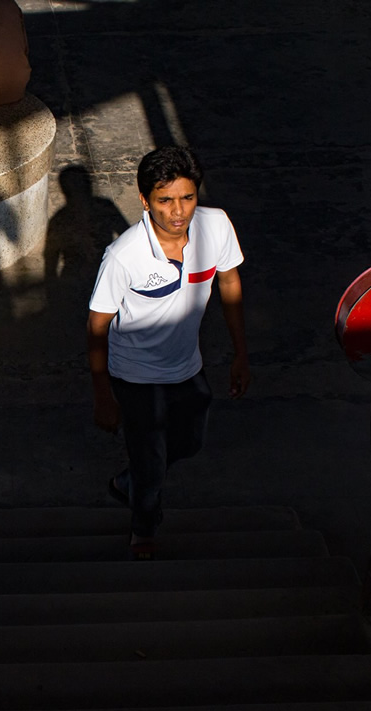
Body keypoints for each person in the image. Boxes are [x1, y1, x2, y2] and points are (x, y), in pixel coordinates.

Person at [87, 146, 251, 559]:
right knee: (150, 459)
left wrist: (240, 353)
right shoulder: (123, 256)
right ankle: (143, 529)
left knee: (191, 442)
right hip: (136, 377)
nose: (178, 212)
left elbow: (229, 284)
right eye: (165, 200)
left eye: (187, 198)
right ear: (145, 201)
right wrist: (103, 394)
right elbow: (97, 326)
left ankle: (132, 480)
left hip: (186, 368)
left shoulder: (216, 226)